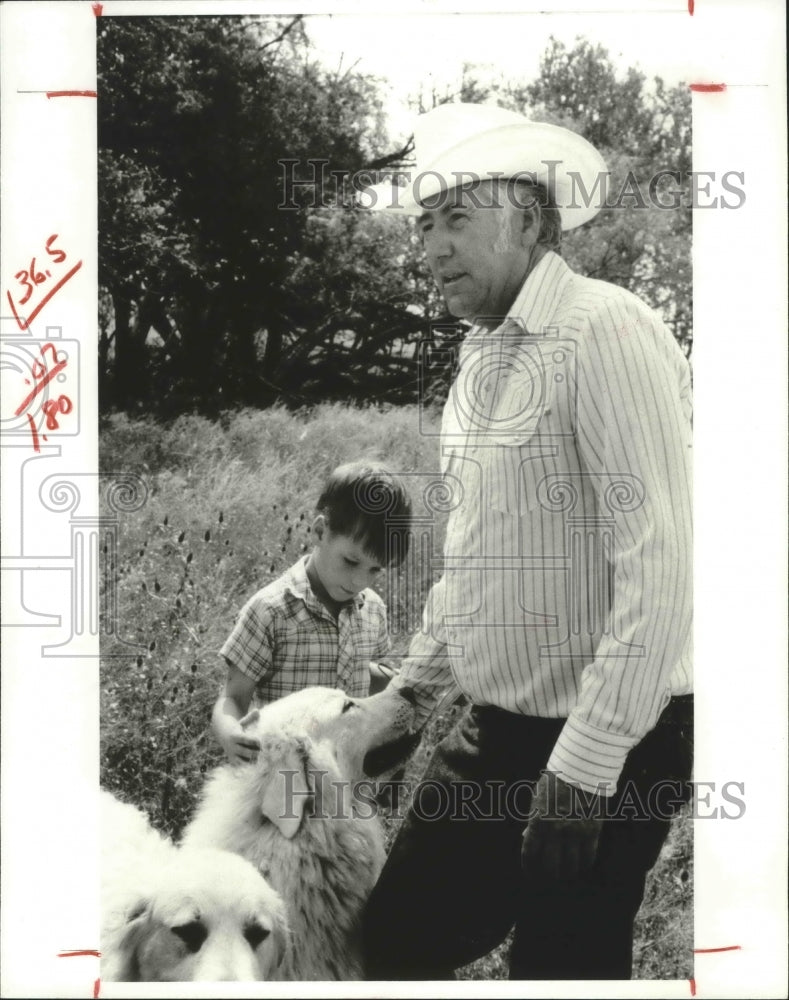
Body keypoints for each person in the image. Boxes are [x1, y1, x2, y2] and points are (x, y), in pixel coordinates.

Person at [361, 103, 693, 980]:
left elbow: (661, 560)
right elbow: (477, 561)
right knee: (390, 947)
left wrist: (586, 764)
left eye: (456, 220)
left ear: (532, 219)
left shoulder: (604, 328)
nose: (429, 248)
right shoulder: (482, 359)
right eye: (423, 225)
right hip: (498, 727)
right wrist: (404, 699)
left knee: (562, 967)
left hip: (616, 736)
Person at [212, 460, 412, 765]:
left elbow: (366, 673)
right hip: (284, 770)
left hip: (344, 768)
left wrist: (404, 686)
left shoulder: (372, 609)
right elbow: (233, 697)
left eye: (375, 569)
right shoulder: (271, 610)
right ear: (320, 531)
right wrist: (230, 734)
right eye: (350, 561)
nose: (360, 581)